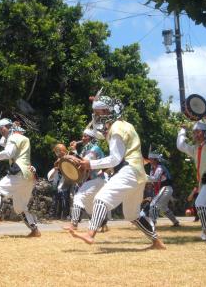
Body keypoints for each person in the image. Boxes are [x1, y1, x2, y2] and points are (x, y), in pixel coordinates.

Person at [69, 92, 166, 249]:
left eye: (99, 113)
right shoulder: (125, 125)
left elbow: (115, 159)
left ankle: (90, 234)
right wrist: (97, 104)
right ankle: (157, 242)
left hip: (128, 170)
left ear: (108, 112)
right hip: (138, 174)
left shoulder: (115, 129)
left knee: (101, 199)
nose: (96, 117)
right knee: (132, 215)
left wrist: (90, 164)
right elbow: (99, 134)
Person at [0, 118, 41, 238]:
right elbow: (2, 142)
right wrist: (5, 129)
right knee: (19, 208)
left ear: (6, 127)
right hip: (29, 176)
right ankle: (35, 230)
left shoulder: (14, 138)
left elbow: (8, 154)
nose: (0, 131)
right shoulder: (22, 138)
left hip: (19, 172)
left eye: (1, 129)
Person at [177, 117, 206, 241]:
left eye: (198, 132)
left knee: (199, 204)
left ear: (205, 133)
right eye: (194, 132)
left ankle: (205, 233)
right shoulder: (195, 149)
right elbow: (181, 146)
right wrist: (182, 131)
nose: (195, 135)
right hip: (204, 182)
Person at [63, 128, 108, 231]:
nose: (82, 138)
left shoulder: (94, 148)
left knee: (78, 197)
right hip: (93, 180)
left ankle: (74, 224)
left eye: (84, 136)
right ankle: (103, 224)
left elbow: (84, 162)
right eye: (82, 136)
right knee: (89, 206)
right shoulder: (86, 149)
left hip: (96, 179)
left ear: (90, 138)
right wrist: (71, 152)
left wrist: (73, 151)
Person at [146, 152, 180, 227]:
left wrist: (143, 175)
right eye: (150, 159)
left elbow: (155, 179)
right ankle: (175, 222)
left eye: (151, 159)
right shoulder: (152, 169)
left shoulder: (159, 168)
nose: (150, 161)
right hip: (164, 189)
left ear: (155, 160)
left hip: (166, 188)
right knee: (163, 208)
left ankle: (152, 223)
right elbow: (152, 181)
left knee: (153, 204)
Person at [47, 144, 72, 220]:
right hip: (58, 182)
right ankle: (55, 216)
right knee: (55, 200)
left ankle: (65, 216)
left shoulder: (68, 157)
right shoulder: (58, 161)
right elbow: (50, 177)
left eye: (58, 152)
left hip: (65, 182)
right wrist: (56, 167)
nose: (57, 154)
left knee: (65, 199)